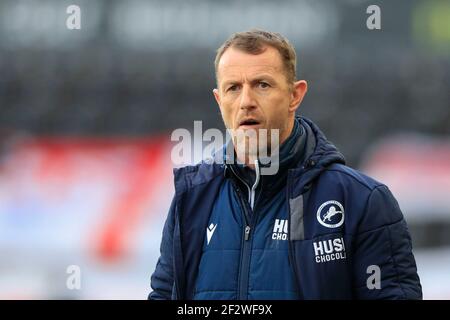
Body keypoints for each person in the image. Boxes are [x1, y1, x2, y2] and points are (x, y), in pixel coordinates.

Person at [149, 29, 422, 300]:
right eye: (233, 88)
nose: (246, 102)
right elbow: (163, 294)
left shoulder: (362, 200)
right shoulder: (192, 199)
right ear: (220, 101)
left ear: (295, 96)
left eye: (262, 85)